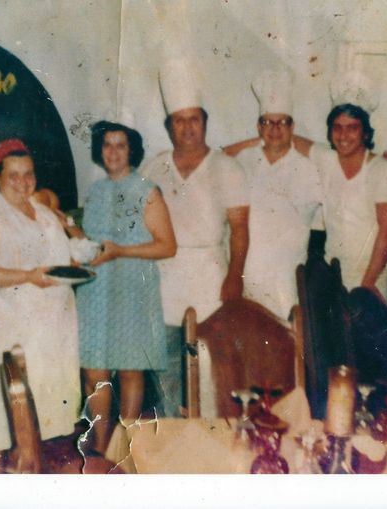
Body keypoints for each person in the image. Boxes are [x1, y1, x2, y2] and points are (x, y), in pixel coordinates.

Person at [141, 59, 250, 417]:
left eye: (194, 119)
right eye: (179, 120)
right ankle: (171, 444)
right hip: (163, 282)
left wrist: (235, 276)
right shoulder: (154, 167)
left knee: (211, 370)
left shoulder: (226, 168)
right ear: (169, 127)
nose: (187, 127)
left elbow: (240, 229)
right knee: (166, 371)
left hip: (210, 281)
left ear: (204, 122)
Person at [0, 139, 81, 473]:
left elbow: (59, 255)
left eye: (28, 174)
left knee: (36, 414)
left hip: (48, 323)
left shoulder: (42, 210)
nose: (22, 181)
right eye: (13, 175)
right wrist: (28, 275)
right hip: (6, 325)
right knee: (4, 410)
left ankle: (30, 467)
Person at [76, 120, 176, 453]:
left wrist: (121, 251)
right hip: (96, 288)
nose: (114, 152)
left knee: (131, 370)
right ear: (99, 150)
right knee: (95, 371)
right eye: (107, 145)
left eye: (121, 145)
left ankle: (126, 444)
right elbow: (93, 242)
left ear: (131, 150)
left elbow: (167, 246)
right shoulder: (95, 191)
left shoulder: (147, 190)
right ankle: (103, 441)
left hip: (132, 285)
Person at [293, 71, 387, 303]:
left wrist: (368, 284)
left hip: (371, 277)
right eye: (337, 127)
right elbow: (286, 139)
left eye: (352, 127)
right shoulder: (326, 159)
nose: (343, 135)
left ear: (365, 133)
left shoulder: (383, 170)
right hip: (333, 274)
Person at [226, 70, 321, 320]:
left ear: (292, 127)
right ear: (258, 126)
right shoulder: (244, 161)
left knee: (285, 348)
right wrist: (253, 143)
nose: (275, 129)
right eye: (268, 122)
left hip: (284, 280)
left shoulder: (309, 168)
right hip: (245, 273)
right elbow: (213, 160)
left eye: (282, 122)